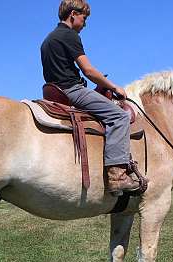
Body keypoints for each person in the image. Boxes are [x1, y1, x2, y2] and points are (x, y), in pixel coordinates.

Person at [40, 0, 141, 194]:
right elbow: (88, 70)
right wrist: (113, 86)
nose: (85, 23)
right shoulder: (69, 35)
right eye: (84, 18)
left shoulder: (48, 39)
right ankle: (117, 175)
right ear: (73, 14)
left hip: (54, 91)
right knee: (119, 116)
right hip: (73, 90)